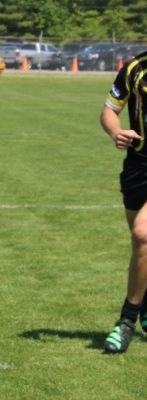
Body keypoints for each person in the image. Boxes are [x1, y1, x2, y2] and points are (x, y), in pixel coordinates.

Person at [101, 51, 147, 354]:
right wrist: (116, 132)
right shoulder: (134, 68)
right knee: (140, 247)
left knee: (143, 234)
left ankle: (126, 320)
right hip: (137, 167)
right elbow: (108, 111)